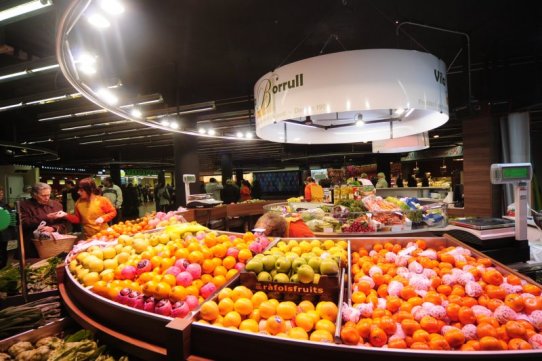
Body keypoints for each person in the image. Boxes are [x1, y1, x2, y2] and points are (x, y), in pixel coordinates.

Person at [19, 183, 68, 259]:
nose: (47, 198)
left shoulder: (57, 205)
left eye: (48, 195)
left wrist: (53, 228)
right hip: (32, 244)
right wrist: (46, 217)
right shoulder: (24, 205)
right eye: (43, 195)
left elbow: (63, 223)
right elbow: (24, 223)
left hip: (54, 243)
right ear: (34, 195)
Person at [0, 186, 16, 268]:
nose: (1, 194)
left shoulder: (5, 205)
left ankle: (2, 267)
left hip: (4, 234)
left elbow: (11, 219)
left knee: (3, 252)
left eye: (2, 193)